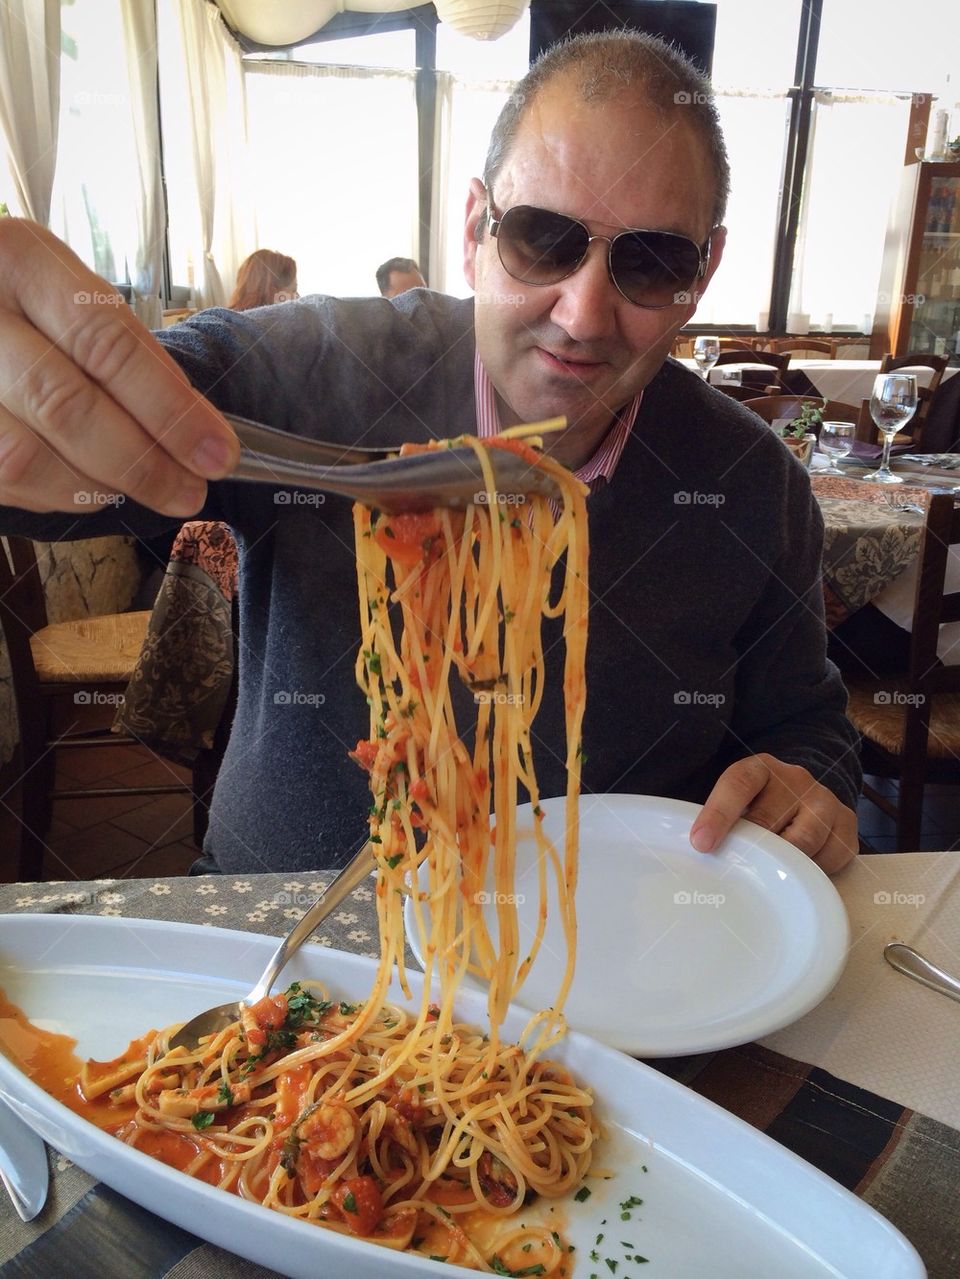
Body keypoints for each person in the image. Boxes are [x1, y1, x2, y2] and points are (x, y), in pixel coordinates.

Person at [0, 30, 861, 877]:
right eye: (543, 239)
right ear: (475, 228)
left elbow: (804, 726)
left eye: (652, 260)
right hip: (289, 941)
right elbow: (68, 463)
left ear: (702, 271)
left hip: (602, 964)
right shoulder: (311, 368)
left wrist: (809, 787)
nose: (584, 314)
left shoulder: (752, 484)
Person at [227, 249, 298, 310]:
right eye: (294, 290)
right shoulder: (286, 322)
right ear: (273, 291)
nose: (298, 296)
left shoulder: (225, 318)